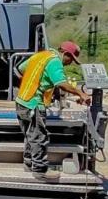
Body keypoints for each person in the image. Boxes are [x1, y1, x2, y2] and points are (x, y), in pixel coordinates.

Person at [14, 41, 91, 180]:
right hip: (33, 103)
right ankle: (40, 170)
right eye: (71, 59)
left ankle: (29, 163)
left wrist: (35, 83)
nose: (70, 63)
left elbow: (20, 69)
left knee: (30, 135)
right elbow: (61, 83)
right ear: (66, 54)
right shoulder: (55, 61)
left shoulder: (42, 55)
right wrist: (81, 93)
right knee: (39, 137)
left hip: (21, 100)